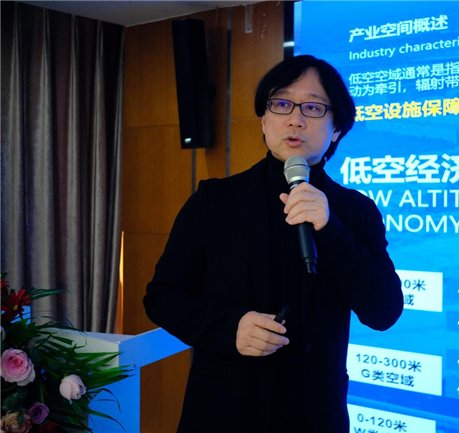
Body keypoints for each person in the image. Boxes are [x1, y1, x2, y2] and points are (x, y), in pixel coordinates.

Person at [143, 54, 403, 433]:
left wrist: (330, 228)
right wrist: (229, 327)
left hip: (313, 414)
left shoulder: (354, 210)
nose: (295, 119)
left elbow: (384, 311)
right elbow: (161, 297)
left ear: (336, 130)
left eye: (313, 107)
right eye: (281, 104)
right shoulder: (214, 200)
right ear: (264, 120)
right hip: (222, 411)